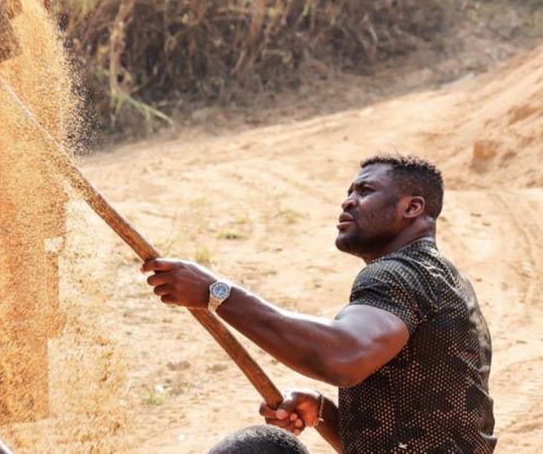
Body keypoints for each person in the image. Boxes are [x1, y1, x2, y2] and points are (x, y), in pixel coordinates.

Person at [142, 153, 496, 453]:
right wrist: (321, 410)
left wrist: (215, 293)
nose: (348, 201)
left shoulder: (399, 274)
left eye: (366, 190)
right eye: (349, 192)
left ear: (412, 207)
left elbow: (343, 358)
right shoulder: (441, 277)